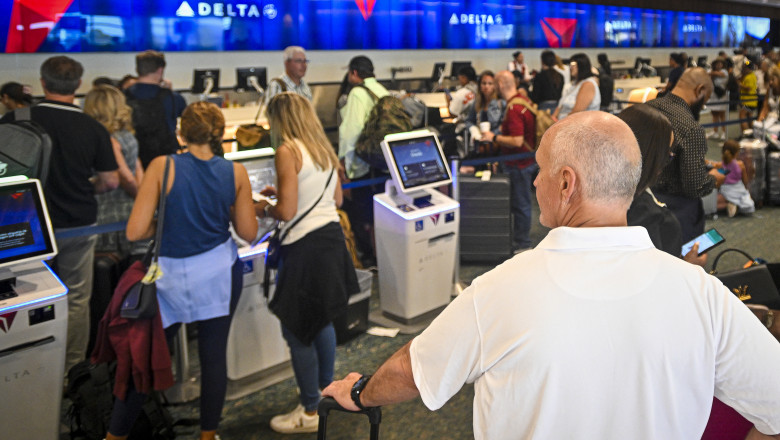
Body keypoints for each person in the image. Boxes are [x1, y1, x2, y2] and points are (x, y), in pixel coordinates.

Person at [323, 111, 780, 440]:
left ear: (566, 184)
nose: (535, 182)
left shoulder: (502, 290)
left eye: (540, 169)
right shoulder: (701, 293)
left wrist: (360, 392)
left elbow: (413, 370)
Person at [105, 102, 258, 440]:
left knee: (145, 357)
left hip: (169, 277)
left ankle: (115, 435)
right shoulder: (235, 172)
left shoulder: (163, 166)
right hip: (219, 271)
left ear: (181, 132)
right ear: (219, 134)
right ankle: (208, 435)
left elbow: (135, 231)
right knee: (214, 356)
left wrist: (167, 224)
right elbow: (248, 233)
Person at [0, 56, 119, 373]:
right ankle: (71, 371)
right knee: (77, 297)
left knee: (24, 297)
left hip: (24, 226)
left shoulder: (16, 118)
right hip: (78, 224)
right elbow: (110, 180)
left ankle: (27, 367)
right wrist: (84, 188)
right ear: (79, 84)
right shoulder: (92, 127)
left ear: (42, 82)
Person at [254, 92, 359, 434]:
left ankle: (309, 412)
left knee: (297, 328)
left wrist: (262, 206)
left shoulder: (288, 150)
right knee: (322, 322)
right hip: (330, 243)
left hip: (304, 251)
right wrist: (285, 193)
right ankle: (325, 393)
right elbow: (336, 198)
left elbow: (285, 212)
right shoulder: (322, 149)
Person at [619, 104, 706, 267]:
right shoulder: (646, 215)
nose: (666, 163)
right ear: (651, 154)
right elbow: (655, 280)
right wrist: (687, 267)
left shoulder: (590, 190)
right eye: (667, 154)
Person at [648, 67, 725, 242]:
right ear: (700, 90)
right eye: (704, 100)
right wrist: (713, 179)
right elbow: (694, 185)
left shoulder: (645, 109)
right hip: (677, 212)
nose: (703, 105)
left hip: (641, 204)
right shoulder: (690, 128)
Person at [338, 55, 389, 266]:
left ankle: (368, 257)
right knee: (382, 212)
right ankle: (383, 256)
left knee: (361, 214)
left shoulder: (358, 93)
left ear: (354, 73)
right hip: (385, 162)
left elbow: (350, 132)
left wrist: (345, 164)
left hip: (364, 165)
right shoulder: (382, 91)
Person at [83, 85, 144, 255]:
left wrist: (141, 198)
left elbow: (125, 178)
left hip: (111, 214)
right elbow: (137, 166)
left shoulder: (107, 140)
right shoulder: (127, 134)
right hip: (130, 210)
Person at [481, 71, 536, 252]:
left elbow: (517, 140)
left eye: (495, 84)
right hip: (525, 161)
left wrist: (494, 137)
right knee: (523, 203)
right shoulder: (524, 101)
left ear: (502, 84)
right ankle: (522, 241)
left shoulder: (513, 109)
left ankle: (522, 244)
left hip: (518, 163)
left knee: (521, 205)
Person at [124, 50, 186, 167]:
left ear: (137, 70)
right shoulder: (173, 98)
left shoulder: (123, 96)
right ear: (160, 70)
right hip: (165, 161)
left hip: (134, 161)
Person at [711, 140, 755, 217]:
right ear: (736, 153)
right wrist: (747, 191)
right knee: (749, 206)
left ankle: (729, 204)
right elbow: (745, 181)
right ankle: (736, 205)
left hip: (725, 190)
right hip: (738, 189)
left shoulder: (719, 165)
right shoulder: (740, 164)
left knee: (712, 205)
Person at [552, 53, 600, 120]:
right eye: (570, 65)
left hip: (579, 125)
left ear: (582, 65)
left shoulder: (588, 84)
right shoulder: (575, 83)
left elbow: (577, 112)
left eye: (573, 65)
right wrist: (554, 117)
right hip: (564, 123)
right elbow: (562, 104)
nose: (570, 67)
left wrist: (559, 124)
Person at [468, 70, 505, 134]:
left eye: (490, 84)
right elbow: (469, 121)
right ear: (480, 86)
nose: (486, 87)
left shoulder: (501, 103)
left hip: (496, 140)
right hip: (480, 139)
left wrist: (492, 135)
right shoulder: (477, 102)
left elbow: (504, 125)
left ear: (495, 86)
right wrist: (473, 130)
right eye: (484, 83)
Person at [706, 58, 729, 140]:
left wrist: (711, 73)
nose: (719, 65)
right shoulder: (711, 72)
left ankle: (724, 132)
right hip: (713, 95)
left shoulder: (724, 71)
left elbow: (719, 74)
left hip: (722, 95)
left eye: (720, 64)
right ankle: (715, 132)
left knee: (722, 114)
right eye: (717, 64)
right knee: (714, 114)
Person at [740, 59, 759, 131]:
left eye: (745, 68)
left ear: (748, 68)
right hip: (752, 101)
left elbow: (748, 88)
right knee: (749, 117)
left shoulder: (750, 77)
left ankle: (745, 133)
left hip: (749, 101)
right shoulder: (752, 75)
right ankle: (752, 133)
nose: (743, 69)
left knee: (742, 116)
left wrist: (740, 84)